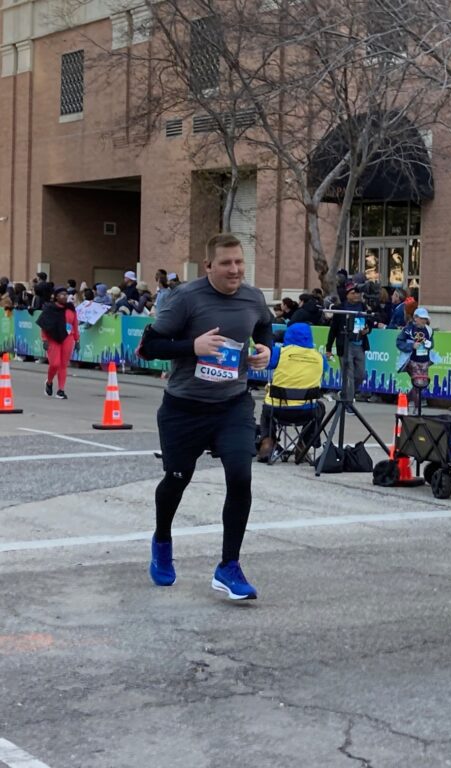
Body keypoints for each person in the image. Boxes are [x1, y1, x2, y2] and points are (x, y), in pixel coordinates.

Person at [137, 233, 274, 600]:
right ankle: (162, 541)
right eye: (226, 263)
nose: (235, 270)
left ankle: (229, 567)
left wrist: (265, 350)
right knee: (177, 479)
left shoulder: (253, 297)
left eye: (240, 262)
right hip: (184, 409)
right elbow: (148, 347)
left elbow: (263, 327)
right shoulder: (185, 299)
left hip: (232, 405)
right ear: (209, 265)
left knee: (241, 475)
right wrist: (191, 347)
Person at [257, 322, 328, 462]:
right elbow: (322, 373)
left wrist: (271, 340)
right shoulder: (320, 357)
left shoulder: (278, 353)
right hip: (306, 411)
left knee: (266, 408)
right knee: (320, 407)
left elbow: (259, 356)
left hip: (277, 409)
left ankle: (268, 440)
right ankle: (303, 444)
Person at [326, 281, 372, 398]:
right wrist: (329, 348)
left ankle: (345, 393)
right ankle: (348, 403)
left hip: (360, 344)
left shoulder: (363, 307)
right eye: (353, 293)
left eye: (358, 293)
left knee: (360, 374)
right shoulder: (340, 309)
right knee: (348, 375)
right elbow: (333, 330)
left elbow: (369, 323)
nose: (356, 295)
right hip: (345, 345)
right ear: (347, 295)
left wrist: (367, 330)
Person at [36, 286, 79, 399]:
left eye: (66, 294)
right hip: (53, 338)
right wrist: (44, 339)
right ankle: (49, 382)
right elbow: (44, 326)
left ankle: (61, 390)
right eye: (62, 294)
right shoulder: (50, 309)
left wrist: (77, 339)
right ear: (56, 297)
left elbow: (75, 324)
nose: (65, 296)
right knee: (55, 364)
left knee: (63, 365)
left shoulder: (71, 308)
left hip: (67, 337)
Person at [396, 307, 437, 410]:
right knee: (417, 382)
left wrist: (429, 344)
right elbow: (399, 342)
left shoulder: (429, 330)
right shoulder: (408, 330)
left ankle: (406, 399)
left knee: (422, 384)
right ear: (415, 318)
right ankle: (416, 408)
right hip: (412, 360)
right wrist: (411, 346)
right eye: (422, 318)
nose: (424, 320)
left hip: (424, 360)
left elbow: (432, 344)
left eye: (425, 318)